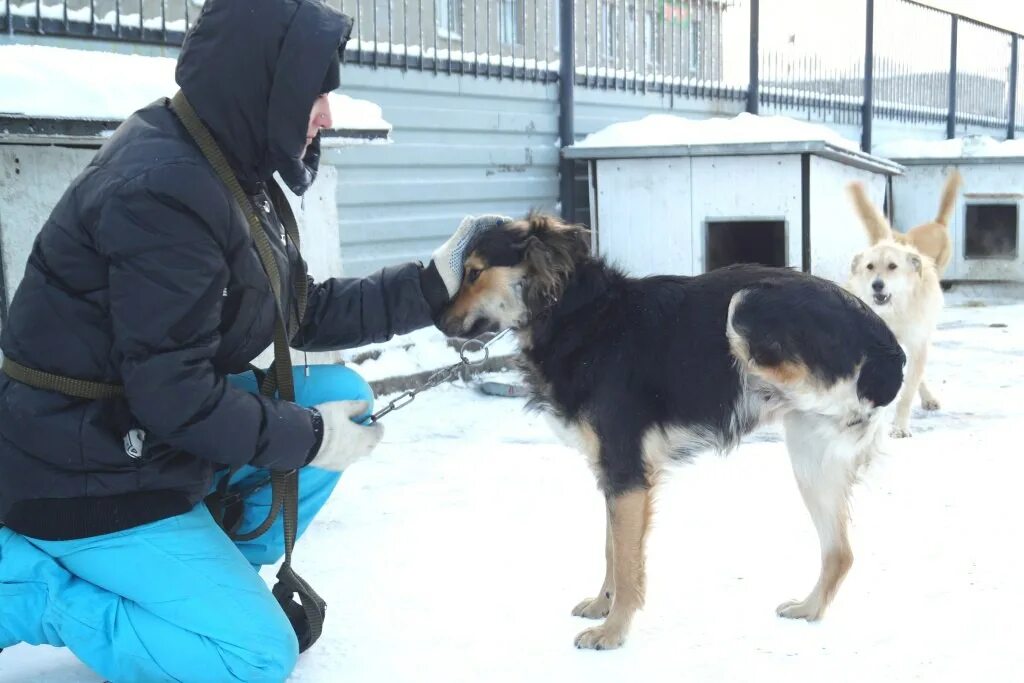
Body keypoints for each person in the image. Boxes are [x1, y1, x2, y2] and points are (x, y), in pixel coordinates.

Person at [0, 0, 504, 680]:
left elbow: (299, 310)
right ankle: (31, 588)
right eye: (315, 91)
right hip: (80, 470)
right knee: (256, 656)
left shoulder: (224, 168)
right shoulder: (164, 190)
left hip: (134, 436)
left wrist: (430, 286)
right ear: (263, 82)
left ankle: (210, 576)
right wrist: (309, 438)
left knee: (343, 396)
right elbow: (175, 396)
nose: (325, 111)